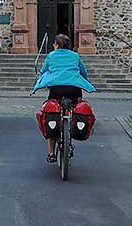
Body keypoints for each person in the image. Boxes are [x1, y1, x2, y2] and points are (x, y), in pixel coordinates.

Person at [32, 33, 95, 163]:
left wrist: (42, 80)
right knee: (76, 106)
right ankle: (72, 127)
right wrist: (86, 81)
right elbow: (83, 72)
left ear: (56, 45)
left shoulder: (51, 56)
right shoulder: (75, 56)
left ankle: (51, 153)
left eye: (54, 44)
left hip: (56, 89)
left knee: (51, 113)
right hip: (74, 89)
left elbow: (43, 71)